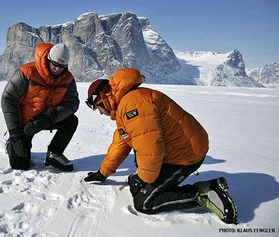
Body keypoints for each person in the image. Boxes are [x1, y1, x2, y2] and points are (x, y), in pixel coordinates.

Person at [84, 68, 237, 224]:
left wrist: (143, 179)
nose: (100, 113)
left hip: (186, 154)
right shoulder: (127, 103)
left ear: (103, 97)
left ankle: (206, 193)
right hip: (179, 148)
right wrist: (103, 173)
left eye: (98, 107)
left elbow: (150, 148)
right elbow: (121, 142)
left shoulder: (132, 105)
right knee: (140, 181)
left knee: (144, 201)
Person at [1, 43, 79, 172]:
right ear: (48, 59)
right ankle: (12, 144)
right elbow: (8, 99)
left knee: (71, 121)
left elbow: (73, 102)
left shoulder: (68, 79)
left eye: (62, 66)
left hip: (48, 118)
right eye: (55, 64)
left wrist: (51, 117)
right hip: (25, 123)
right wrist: (15, 131)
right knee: (20, 165)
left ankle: (54, 153)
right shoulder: (26, 72)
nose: (57, 69)